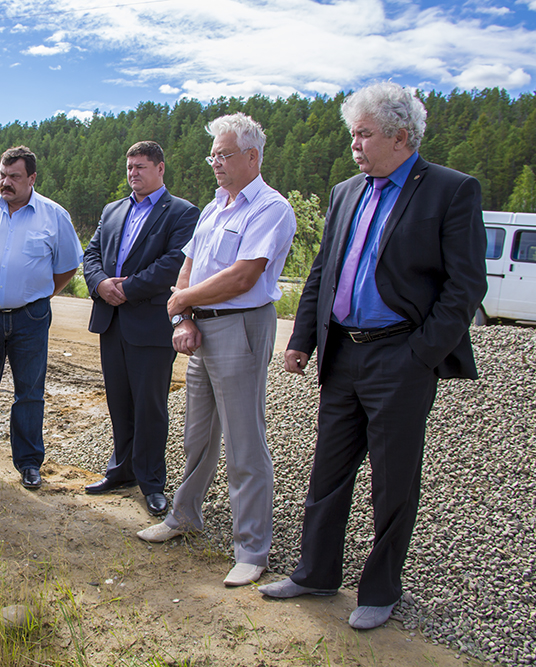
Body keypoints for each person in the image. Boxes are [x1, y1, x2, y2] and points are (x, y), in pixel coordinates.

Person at [258, 83, 487, 630]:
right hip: (343, 356)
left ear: (400, 137)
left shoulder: (450, 191)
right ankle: (316, 574)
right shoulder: (345, 192)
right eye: (352, 134)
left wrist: (421, 354)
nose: (355, 145)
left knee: (393, 480)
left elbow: (465, 285)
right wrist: (301, 340)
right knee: (328, 472)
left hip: (400, 358)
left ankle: (381, 590)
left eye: (364, 134)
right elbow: (324, 271)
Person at [136, 113, 296, 591]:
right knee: (197, 435)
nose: (216, 164)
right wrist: (182, 317)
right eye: (213, 156)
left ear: (253, 157)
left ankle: (252, 549)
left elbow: (244, 277)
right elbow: (189, 266)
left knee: (245, 442)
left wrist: (183, 301)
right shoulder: (213, 208)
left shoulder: (270, 208)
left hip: (242, 327)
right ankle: (185, 515)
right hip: (202, 329)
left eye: (224, 155)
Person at [0, 146, 83, 489]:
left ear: (32, 178)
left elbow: (67, 265)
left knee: (29, 392)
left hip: (31, 319)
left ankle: (28, 463)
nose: (6, 183)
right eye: (2, 176)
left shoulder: (54, 215)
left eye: (14, 177)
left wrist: (37, 294)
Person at [82, 141, 198, 516]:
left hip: (149, 324)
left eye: (142, 166)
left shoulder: (181, 212)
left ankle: (151, 482)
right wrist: (100, 284)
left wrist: (126, 289)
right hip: (112, 322)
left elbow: (173, 264)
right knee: (119, 401)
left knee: (150, 406)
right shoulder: (113, 210)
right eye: (130, 166)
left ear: (160, 169)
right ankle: (122, 471)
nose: (134, 173)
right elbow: (92, 253)